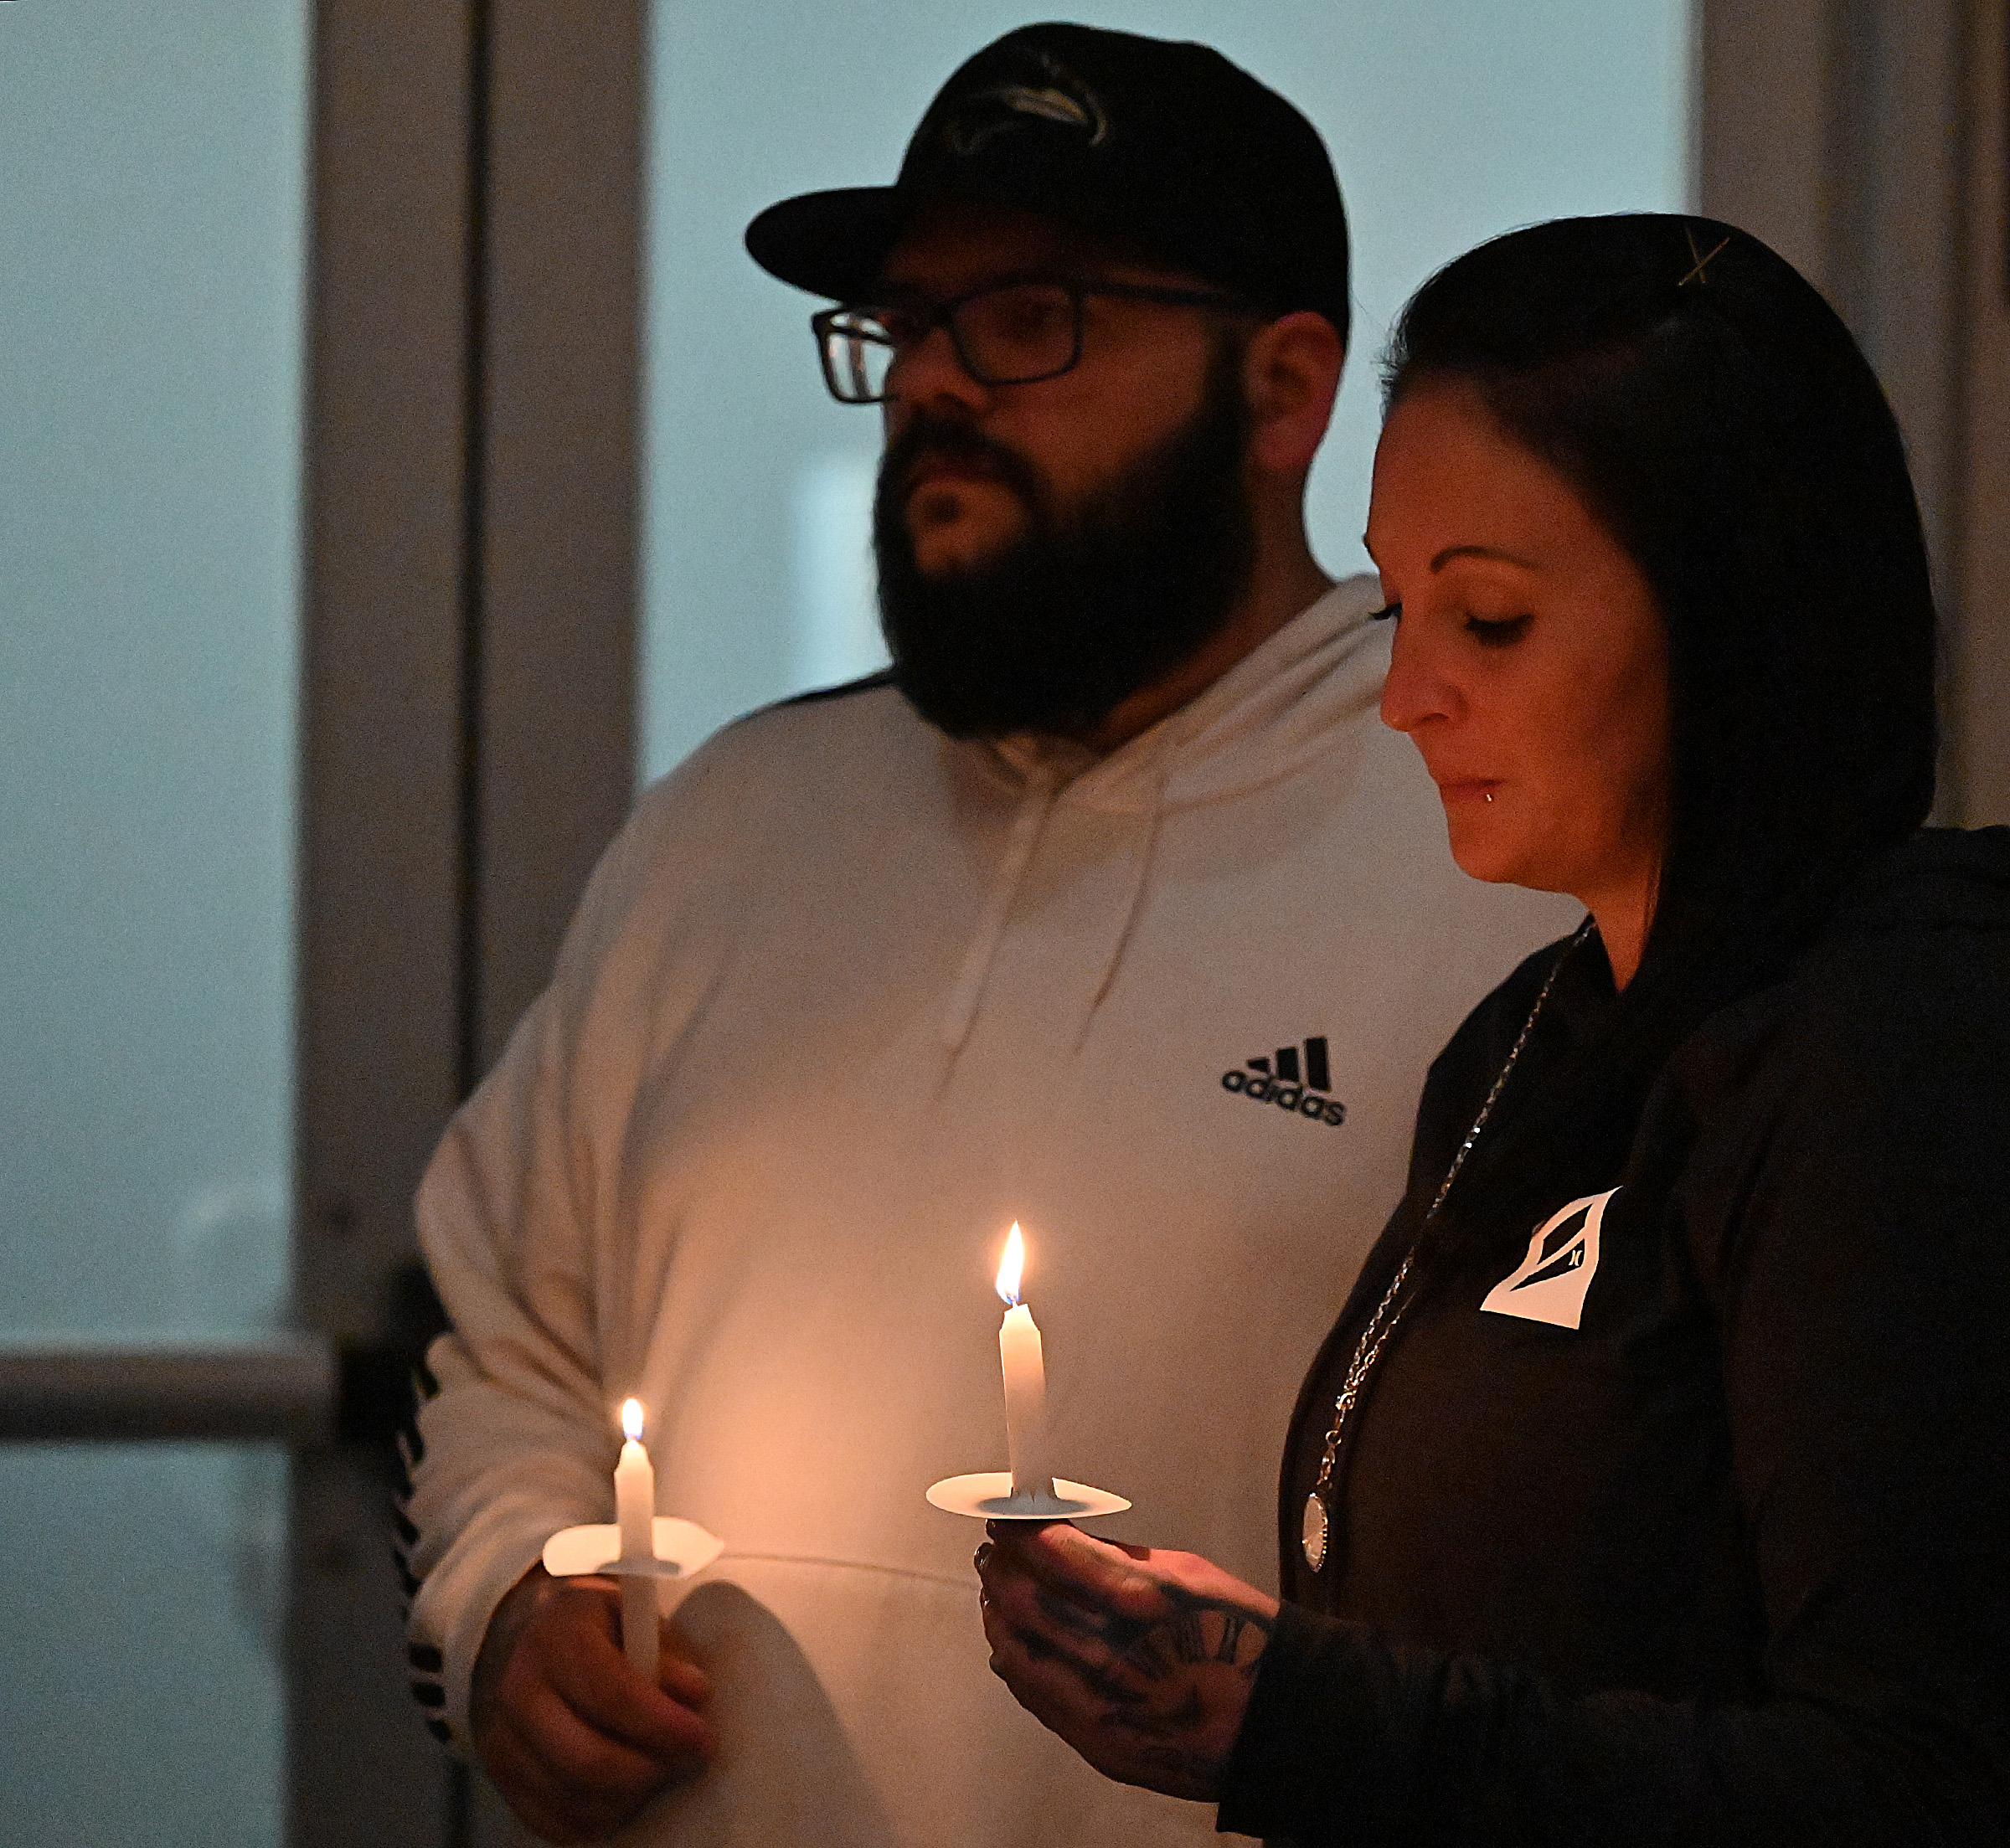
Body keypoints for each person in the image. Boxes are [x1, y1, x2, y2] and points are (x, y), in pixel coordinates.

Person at [400, 24, 1570, 1848]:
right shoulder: (733, 823)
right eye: (907, 325)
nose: (934, 385)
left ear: (1282, 394)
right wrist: (499, 1604)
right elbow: (510, 1338)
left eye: (1027, 320)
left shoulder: (1492, 843)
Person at [978, 213, 2010, 1842]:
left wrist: (1298, 1716)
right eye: (1400, 611)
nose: (1409, 700)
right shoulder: (1533, 1037)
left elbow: (1919, 1780)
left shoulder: (1889, 1050)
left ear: (1734, 612)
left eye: (1494, 620)